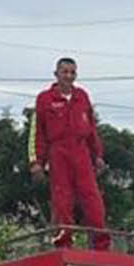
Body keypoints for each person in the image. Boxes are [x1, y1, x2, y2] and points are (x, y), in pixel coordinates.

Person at [30, 56, 109, 249]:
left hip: (81, 151)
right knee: (62, 198)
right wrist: (36, 162)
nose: (69, 76)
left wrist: (97, 155)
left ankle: (101, 243)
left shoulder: (82, 96)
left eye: (72, 72)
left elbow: (91, 128)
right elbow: (37, 133)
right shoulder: (44, 99)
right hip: (58, 153)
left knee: (91, 196)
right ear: (56, 74)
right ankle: (64, 243)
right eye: (64, 72)